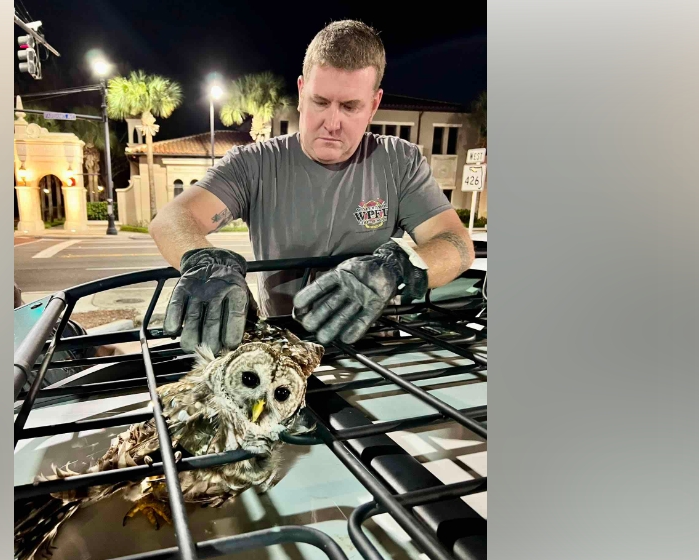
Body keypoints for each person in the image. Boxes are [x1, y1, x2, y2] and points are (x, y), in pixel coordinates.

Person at [150, 19, 475, 353]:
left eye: (350, 106)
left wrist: (396, 267)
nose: (332, 123)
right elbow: (172, 218)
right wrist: (205, 261)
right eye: (320, 101)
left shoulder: (399, 161)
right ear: (302, 92)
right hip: (286, 351)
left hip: (376, 352)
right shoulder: (254, 164)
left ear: (374, 104)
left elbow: (457, 245)